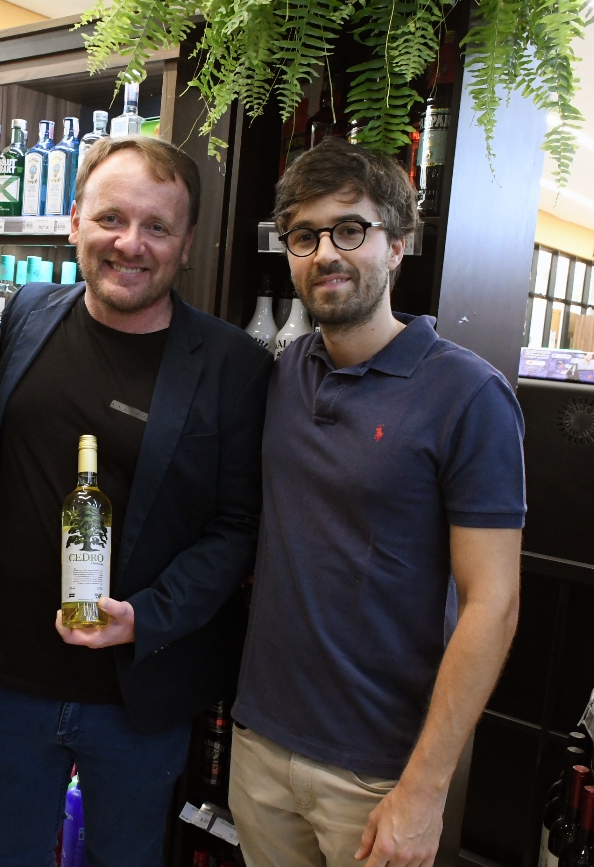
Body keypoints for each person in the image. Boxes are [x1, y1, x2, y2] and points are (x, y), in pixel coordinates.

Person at [0, 136, 272, 867]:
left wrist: (147, 616)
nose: (131, 243)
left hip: (138, 699)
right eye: (111, 218)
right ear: (75, 223)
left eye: (157, 226)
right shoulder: (28, 313)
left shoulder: (232, 365)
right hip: (7, 681)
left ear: (186, 243)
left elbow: (238, 528)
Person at [229, 138, 525, 867]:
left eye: (350, 229)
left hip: (379, 775)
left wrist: (425, 789)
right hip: (261, 746)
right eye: (304, 235)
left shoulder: (469, 395)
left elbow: (493, 603)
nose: (326, 253)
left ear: (397, 245)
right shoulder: (283, 374)